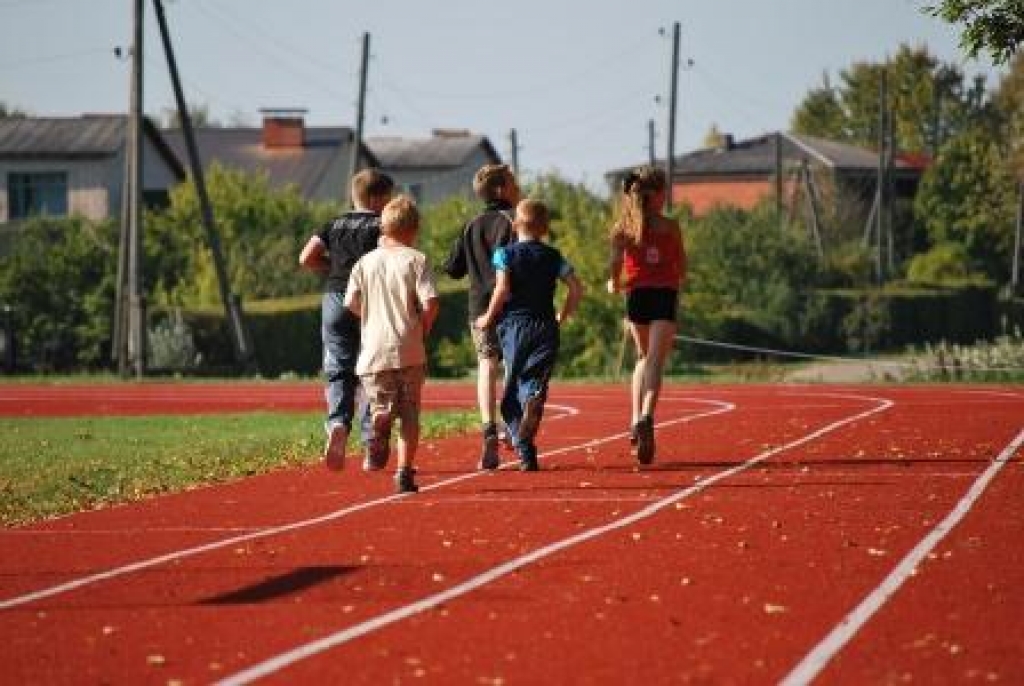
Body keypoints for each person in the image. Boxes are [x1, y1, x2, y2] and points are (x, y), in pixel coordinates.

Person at [474, 199, 583, 471]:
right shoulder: (554, 256)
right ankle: (527, 450)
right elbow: (576, 288)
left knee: (511, 392)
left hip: (515, 327)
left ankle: (522, 439)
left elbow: (501, 290)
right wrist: (563, 315)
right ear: (545, 228)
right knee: (533, 380)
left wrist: (487, 317)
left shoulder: (504, 254)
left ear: (514, 225)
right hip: (546, 326)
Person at [298, 169, 394, 471]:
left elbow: (306, 257)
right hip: (369, 300)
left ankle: (338, 422)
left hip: (335, 297)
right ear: (378, 198)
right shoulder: (381, 225)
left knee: (338, 367)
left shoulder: (334, 223)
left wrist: (334, 266)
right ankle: (370, 441)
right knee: (371, 368)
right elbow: (390, 259)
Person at [345, 195, 440, 493]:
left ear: (383, 227)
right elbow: (431, 301)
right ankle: (404, 472)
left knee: (380, 401)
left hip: (373, 351)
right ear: (414, 229)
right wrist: (423, 325)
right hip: (409, 346)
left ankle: (378, 417)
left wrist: (369, 317)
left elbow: (350, 302)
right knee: (410, 412)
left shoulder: (364, 262)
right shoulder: (416, 259)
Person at [606, 166, 687, 465]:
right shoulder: (670, 226)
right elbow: (681, 264)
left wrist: (615, 283)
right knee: (655, 361)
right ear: (659, 195)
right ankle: (646, 416)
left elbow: (614, 265)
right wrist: (677, 282)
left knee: (642, 359)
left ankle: (634, 418)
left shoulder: (623, 228)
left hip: (636, 297)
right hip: (663, 296)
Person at [443, 163, 521, 470]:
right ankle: (514, 428)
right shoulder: (514, 222)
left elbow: (452, 268)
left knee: (486, 364)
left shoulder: (471, 225)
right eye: (514, 183)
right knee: (516, 367)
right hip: (512, 304)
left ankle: (489, 426)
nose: (518, 188)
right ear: (502, 190)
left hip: (478, 306)